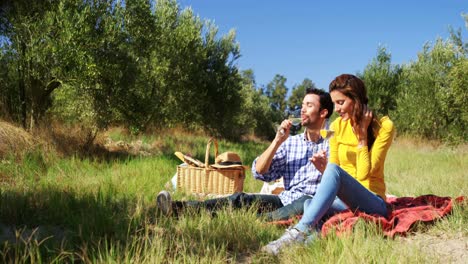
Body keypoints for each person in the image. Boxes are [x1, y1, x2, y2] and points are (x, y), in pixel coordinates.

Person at [156, 88, 339, 221]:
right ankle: (178, 209)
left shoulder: (335, 144)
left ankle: (256, 221)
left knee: (304, 201)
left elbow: (341, 185)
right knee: (240, 199)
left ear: (323, 113)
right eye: (302, 105)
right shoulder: (291, 142)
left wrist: (324, 170)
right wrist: (277, 141)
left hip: (313, 204)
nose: (302, 110)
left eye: (309, 105)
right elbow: (259, 173)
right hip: (283, 201)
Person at [262, 74, 395, 255]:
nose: (337, 109)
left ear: (356, 99)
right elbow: (334, 166)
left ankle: (296, 233)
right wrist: (323, 168)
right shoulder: (336, 127)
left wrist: (362, 135)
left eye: (341, 102)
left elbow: (364, 174)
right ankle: (305, 247)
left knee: (323, 189)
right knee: (310, 203)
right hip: (345, 201)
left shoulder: (384, 126)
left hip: (373, 201)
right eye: (334, 103)